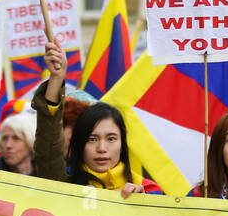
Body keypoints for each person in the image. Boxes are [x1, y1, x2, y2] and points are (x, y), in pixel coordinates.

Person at [33, 40, 153, 196]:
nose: (102, 149)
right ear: (78, 143)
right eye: (92, 139)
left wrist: (142, 207)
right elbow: (48, 150)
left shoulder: (149, 191)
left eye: (111, 139)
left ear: (123, 143)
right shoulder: (63, 186)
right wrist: (56, 79)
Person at [0, 111, 36, 175]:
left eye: (16, 138)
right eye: (5, 138)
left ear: (31, 142)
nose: (8, 145)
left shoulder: (49, 177)